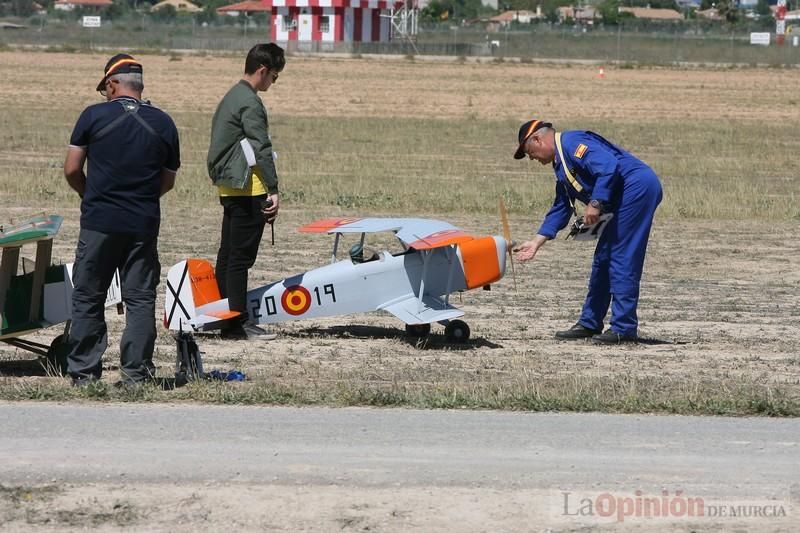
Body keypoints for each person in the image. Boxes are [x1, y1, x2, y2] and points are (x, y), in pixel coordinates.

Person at [64, 53, 180, 386]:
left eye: (105, 88)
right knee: (140, 298)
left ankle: (84, 375)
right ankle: (136, 375)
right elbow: (168, 181)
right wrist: (141, 200)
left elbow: (72, 169)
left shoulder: (92, 116)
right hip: (142, 224)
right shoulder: (164, 123)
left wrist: (91, 196)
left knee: (88, 296)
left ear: (113, 83)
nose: (105, 94)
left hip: (99, 222)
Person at [512, 119, 662, 344]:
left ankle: (623, 328)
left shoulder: (573, 143)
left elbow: (609, 165)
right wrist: (536, 242)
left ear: (537, 139)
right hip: (620, 197)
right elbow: (561, 207)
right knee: (603, 259)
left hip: (636, 188)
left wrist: (595, 202)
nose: (532, 158)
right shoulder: (561, 164)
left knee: (621, 256)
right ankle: (590, 322)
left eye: (529, 152)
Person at [207, 43, 284, 340]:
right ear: (263, 71)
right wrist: (273, 189)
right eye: (274, 77)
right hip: (247, 186)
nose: (272, 83)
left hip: (229, 185)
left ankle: (223, 317)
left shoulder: (232, 95)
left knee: (227, 254)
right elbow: (261, 146)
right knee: (240, 258)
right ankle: (238, 324)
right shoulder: (250, 102)